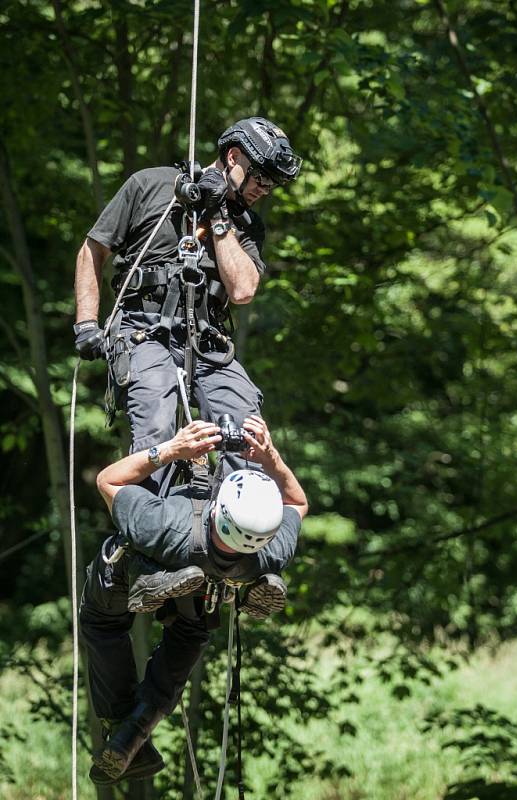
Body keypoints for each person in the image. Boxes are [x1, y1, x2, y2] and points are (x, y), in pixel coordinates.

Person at [73, 117, 302, 495]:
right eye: (261, 177)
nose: (266, 188)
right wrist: (86, 323)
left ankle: (233, 534)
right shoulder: (149, 185)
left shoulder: (245, 224)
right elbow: (92, 249)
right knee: (157, 427)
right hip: (142, 330)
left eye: (273, 182)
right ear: (233, 157)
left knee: (247, 430)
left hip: (208, 341)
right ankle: (150, 530)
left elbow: (243, 290)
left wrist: (218, 215)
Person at [80, 415, 308, 786]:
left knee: (102, 626)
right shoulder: (270, 549)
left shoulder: (167, 522)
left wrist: (169, 450)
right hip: (214, 588)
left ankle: (152, 576)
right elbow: (297, 503)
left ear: (218, 508)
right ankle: (132, 734)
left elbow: (107, 479)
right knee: (190, 631)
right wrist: (272, 458)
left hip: (125, 577)